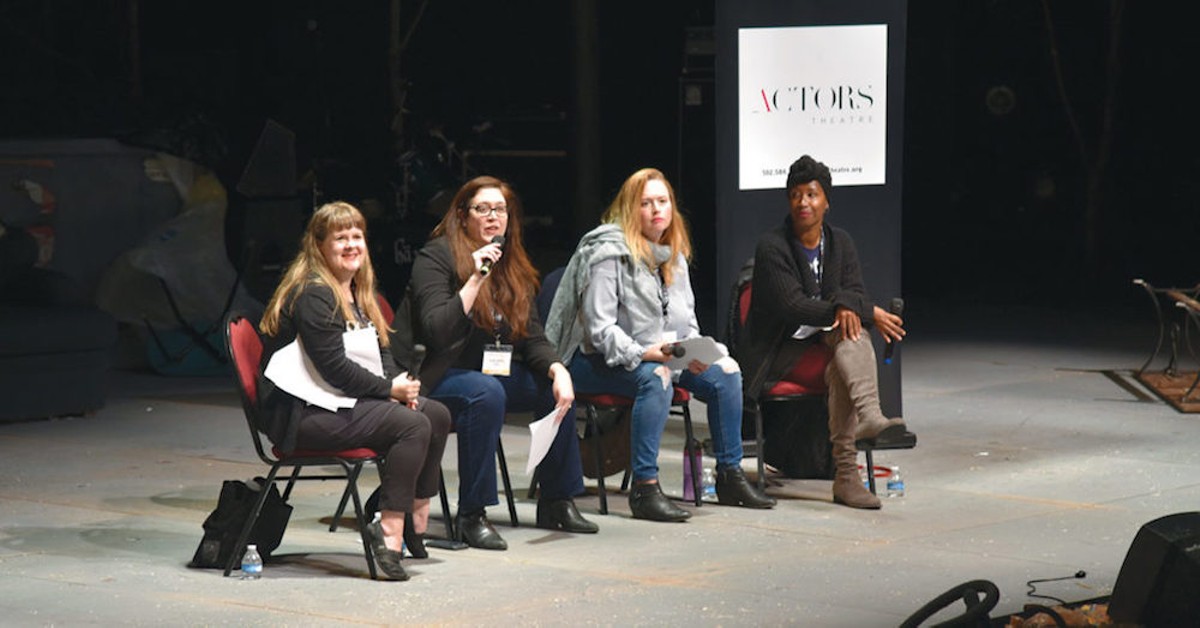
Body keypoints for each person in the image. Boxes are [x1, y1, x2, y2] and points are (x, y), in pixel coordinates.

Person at [546, 167, 775, 523]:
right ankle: (645, 488)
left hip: (662, 356)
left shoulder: (674, 255)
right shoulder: (610, 254)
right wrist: (647, 354)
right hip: (596, 361)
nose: (657, 210)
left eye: (663, 201)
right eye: (646, 203)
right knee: (657, 377)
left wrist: (694, 351)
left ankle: (729, 476)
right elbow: (600, 330)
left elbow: (687, 319)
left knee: (726, 374)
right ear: (630, 210)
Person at [257, 201, 450, 580]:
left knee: (434, 414)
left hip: (339, 402)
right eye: (340, 238)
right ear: (319, 246)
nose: (351, 245)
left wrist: (402, 388)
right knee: (411, 426)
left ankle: (411, 507)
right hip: (303, 415)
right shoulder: (313, 294)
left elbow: (381, 354)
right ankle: (389, 529)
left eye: (356, 236)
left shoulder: (357, 292)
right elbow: (335, 369)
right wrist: (388, 391)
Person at [403, 175, 597, 551]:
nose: (493, 217)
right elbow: (436, 332)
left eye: (500, 210)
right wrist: (474, 279)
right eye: (482, 209)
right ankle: (472, 514)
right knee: (485, 392)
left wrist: (558, 369)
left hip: (490, 372)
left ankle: (557, 500)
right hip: (439, 376)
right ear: (462, 216)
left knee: (551, 389)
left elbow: (532, 336)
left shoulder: (514, 264)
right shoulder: (436, 258)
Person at [740, 155, 906, 510]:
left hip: (822, 342)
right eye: (796, 195)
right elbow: (793, 305)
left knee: (849, 340)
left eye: (812, 194)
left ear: (826, 201)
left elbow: (854, 291)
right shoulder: (772, 246)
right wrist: (862, 311)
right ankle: (854, 454)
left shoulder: (840, 242)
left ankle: (857, 449)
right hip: (778, 350)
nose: (804, 202)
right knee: (849, 330)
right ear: (789, 201)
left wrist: (854, 308)